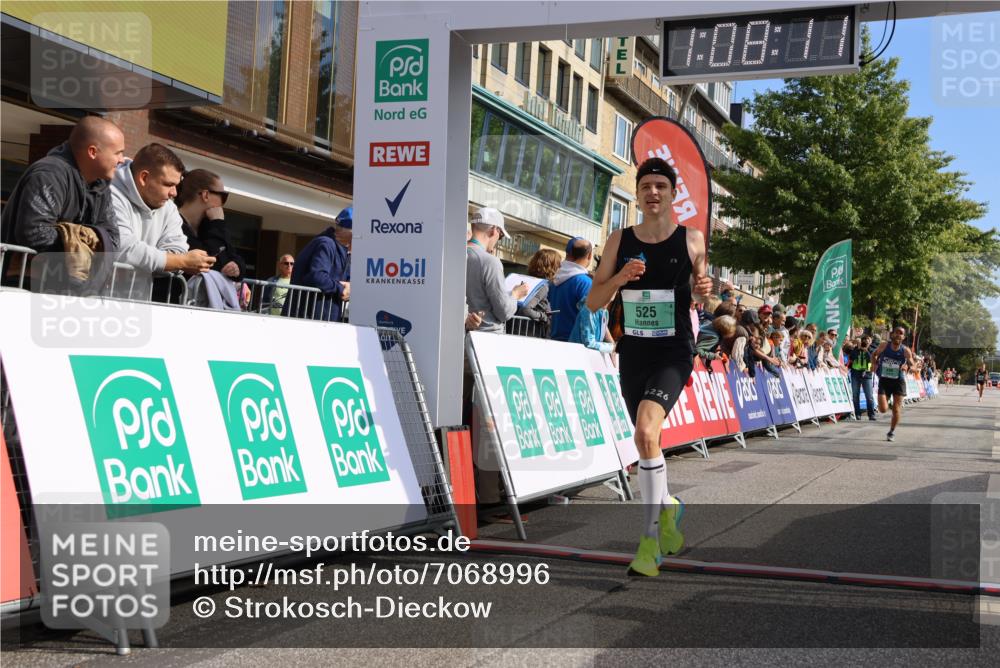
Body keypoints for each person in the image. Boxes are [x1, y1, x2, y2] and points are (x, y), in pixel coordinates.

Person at [586, 157, 712, 577]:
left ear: (673, 193)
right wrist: (620, 277)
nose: (653, 192)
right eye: (646, 187)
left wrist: (704, 291)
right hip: (634, 352)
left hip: (674, 351)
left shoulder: (692, 240)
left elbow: (704, 298)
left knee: (645, 430)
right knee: (646, 442)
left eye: (661, 185)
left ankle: (650, 541)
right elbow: (593, 302)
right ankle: (669, 506)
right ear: (637, 194)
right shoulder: (618, 239)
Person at [1, 117, 125, 290]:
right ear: (92, 152)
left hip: (64, 291)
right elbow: (34, 233)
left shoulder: (101, 186)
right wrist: (85, 242)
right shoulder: (49, 174)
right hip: (22, 288)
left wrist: (74, 237)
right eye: (118, 152)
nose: (122, 159)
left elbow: (112, 241)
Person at [112, 143, 214, 299]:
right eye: (168, 184)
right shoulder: (110, 194)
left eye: (176, 186)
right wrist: (181, 262)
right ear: (144, 177)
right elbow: (123, 249)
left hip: (138, 303)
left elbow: (178, 249)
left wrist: (163, 261)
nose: (173, 193)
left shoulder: (168, 207)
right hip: (96, 300)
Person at [174, 168, 245, 280]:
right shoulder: (173, 223)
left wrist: (237, 267)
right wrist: (217, 223)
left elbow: (233, 255)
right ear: (205, 195)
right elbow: (207, 259)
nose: (223, 203)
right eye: (223, 196)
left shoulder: (210, 224)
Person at [465, 207, 528, 332]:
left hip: (460, 336)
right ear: (494, 230)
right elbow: (504, 311)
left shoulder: (454, 254)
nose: (498, 241)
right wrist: (515, 294)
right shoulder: (490, 262)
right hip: (486, 338)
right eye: (501, 236)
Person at [286, 207, 351, 321]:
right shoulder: (326, 244)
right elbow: (317, 276)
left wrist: (349, 287)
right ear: (349, 231)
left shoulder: (342, 250)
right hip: (308, 318)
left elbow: (346, 281)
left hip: (322, 318)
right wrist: (341, 289)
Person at [872, 326, 917, 442]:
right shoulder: (884, 346)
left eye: (901, 333)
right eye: (896, 332)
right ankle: (891, 405)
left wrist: (909, 367)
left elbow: (913, 364)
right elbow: (874, 355)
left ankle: (891, 431)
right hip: (885, 380)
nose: (898, 335)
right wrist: (874, 365)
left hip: (898, 381)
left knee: (896, 410)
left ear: (903, 337)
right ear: (892, 334)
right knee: (882, 409)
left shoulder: (905, 350)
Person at [549, 237, 594, 341]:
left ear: (567, 254)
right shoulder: (585, 282)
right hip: (577, 344)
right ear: (590, 255)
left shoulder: (555, 280)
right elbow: (591, 318)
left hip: (555, 340)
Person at [507, 248, 559, 337]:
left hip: (514, 329)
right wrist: (543, 316)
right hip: (529, 333)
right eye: (559, 265)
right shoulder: (543, 286)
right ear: (552, 267)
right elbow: (526, 309)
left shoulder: (527, 280)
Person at [845, 335, 876, 420]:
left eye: (867, 340)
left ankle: (871, 414)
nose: (865, 342)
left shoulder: (872, 351)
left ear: (870, 342)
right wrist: (858, 349)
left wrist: (866, 351)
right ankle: (857, 414)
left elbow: (872, 360)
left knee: (869, 396)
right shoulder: (855, 350)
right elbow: (851, 358)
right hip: (855, 374)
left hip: (867, 375)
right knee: (855, 395)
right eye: (864, 340)